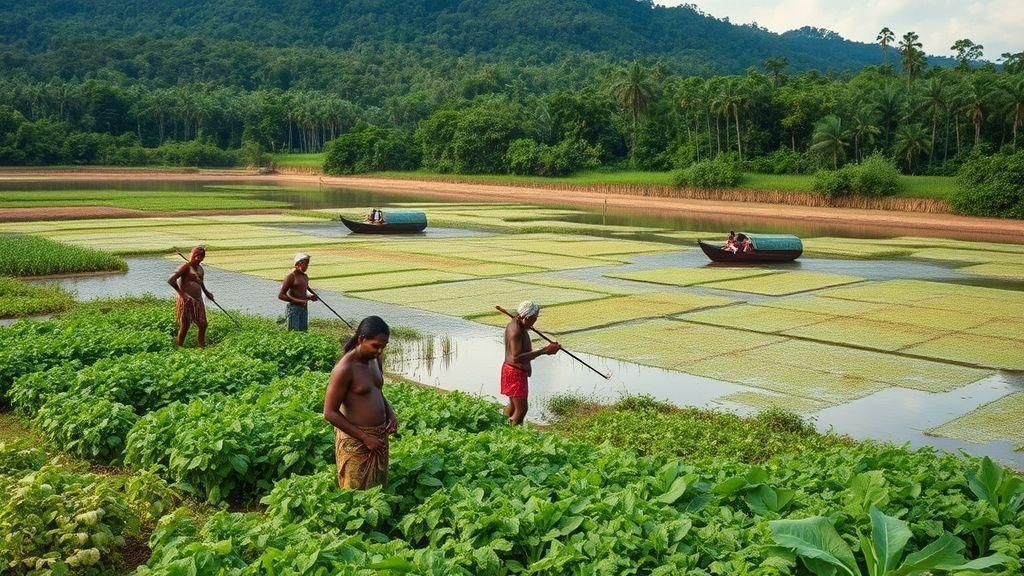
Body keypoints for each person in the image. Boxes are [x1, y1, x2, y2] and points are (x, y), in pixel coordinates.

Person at [323, 316, 397, 490]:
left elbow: (377, 391)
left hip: (378, 438)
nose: (379, 351)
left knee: (378, 492)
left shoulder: (375, 359)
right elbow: (329, 412)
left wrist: (390, 412)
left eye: (383, 347)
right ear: (361, 339)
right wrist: (364, 437)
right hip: (356, 442)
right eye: (375, 346)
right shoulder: (345, 368)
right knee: (355, 496)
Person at [501, 300, 560, 425]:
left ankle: (501, 426)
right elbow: (516, 357)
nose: (534, 322)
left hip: (512, 370)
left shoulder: (518, 325)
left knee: (513, 405)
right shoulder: (515, 330)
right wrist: (544, 350)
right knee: (521, 410)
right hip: (515, 372)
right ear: (525, 317)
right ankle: (511, 435)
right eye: (533, 319)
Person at [167, 245, 213, 347]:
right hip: (187, 300)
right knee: (185, 326)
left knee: (203, 324)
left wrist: (206, 293)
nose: (199, 258)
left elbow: (201, 283)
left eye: (201, 256)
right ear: (193, 255)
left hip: (198, 300)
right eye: (197, 255)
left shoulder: (200, 269)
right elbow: (171, 280)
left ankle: (202, 347)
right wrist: (182, 294)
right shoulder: (185, 267)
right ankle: (179, 347)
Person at [278, 253, 318, 331]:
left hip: (304, 308)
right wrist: (298, 301)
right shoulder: (291, 276)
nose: (307, 267)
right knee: (293, 333)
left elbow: (305, 289)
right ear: (299, 263)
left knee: (303, 332)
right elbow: (281, 295)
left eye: (308, 264)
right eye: (305, 264)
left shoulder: (305, 276)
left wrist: (311, 296)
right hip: (294, 308)